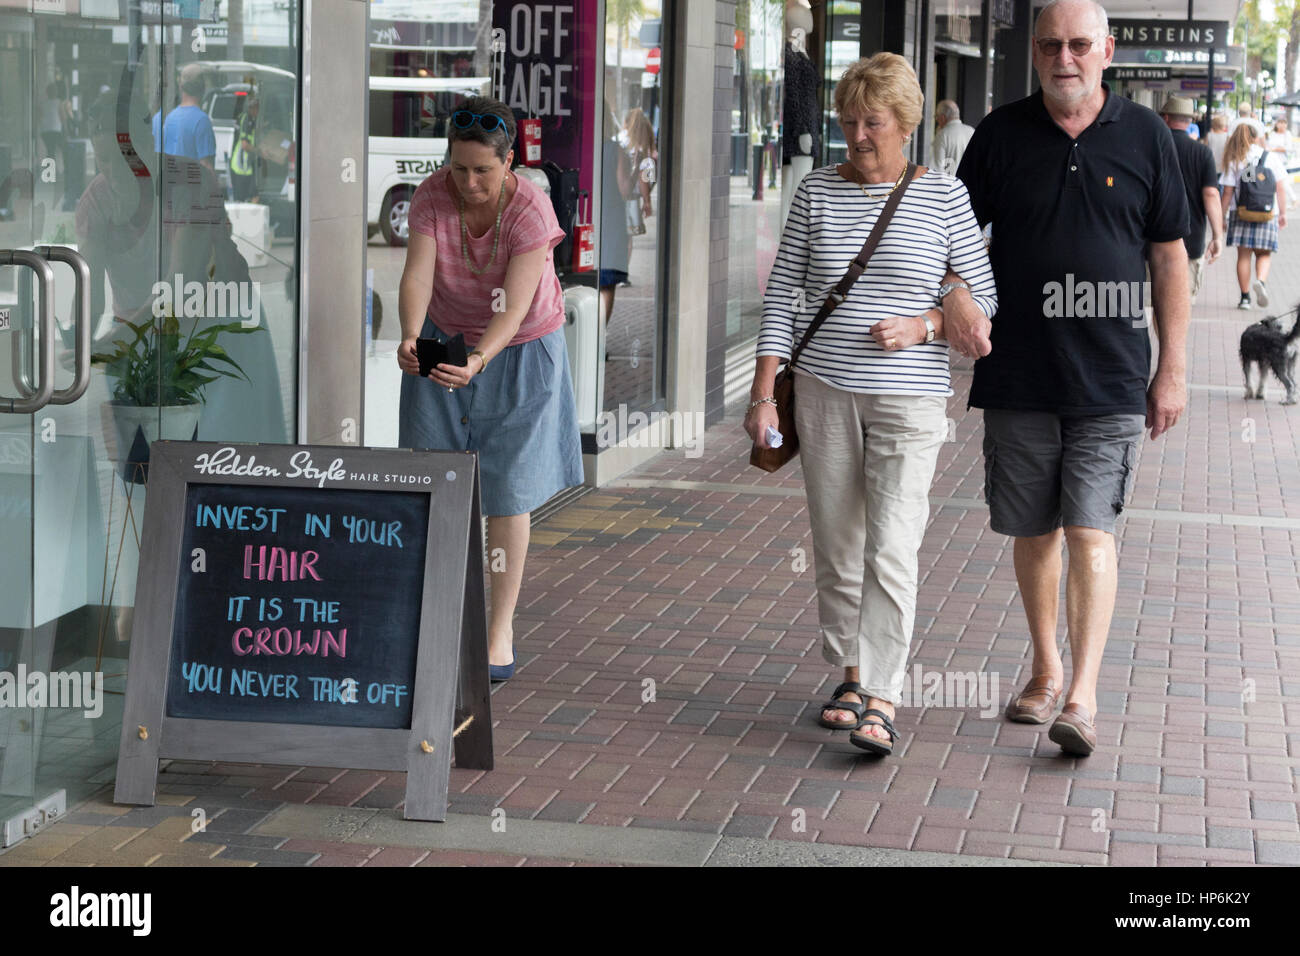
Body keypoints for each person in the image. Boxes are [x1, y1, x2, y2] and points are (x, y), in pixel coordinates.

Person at [945, 0, 1189, 757]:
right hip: (1018, 370)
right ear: (1037, 53)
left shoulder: (1148, 136)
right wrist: (955, 297)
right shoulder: (999, 136)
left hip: (1113, 375)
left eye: (1080, 44)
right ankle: (1045, 668)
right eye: (1051, 44)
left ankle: (1081, 696)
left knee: (1091, 530)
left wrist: (1172, 368)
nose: (1064, 57)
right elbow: (953, 235)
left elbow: (1169, 256)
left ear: (1107, 50)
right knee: (1034, 530)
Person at [746, 52, 997, 757]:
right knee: (838, 542)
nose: (857, 136)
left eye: (872, 123)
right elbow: (785, 296)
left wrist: (925, 325)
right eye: (848, 122)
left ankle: (883, 695)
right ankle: (850, 675)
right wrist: (765, 392)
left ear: (907, 124)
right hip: (825, 393)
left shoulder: (945, 197)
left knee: (892, 543)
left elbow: (988, 303)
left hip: (911, 398)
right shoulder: (817, 193)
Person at [396, 96, 584, 682]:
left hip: (521, 344)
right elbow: (418, 272)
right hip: (446, 333)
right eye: (459, 168)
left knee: (506, 490)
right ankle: (440, 614)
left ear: (508, 163)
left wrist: (479, 359)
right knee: (436, 473)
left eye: (483, 170)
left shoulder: (529, 206)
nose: (470, 182)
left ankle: (498, 627)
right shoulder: (432, 195)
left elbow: (519, 302)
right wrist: (408, 337)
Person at [1159, 96, 1223, 305]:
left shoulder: (1153, 147)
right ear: (1190, 121)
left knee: (1150, 304)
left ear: (1166, 118)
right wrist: (1217, 236)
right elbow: (1211, 194)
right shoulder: (1202, 153)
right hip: (1190, 238)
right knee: (1180, 304)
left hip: (1150, 239)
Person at [1221, 119, 1289, 310]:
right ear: (1256, 136)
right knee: (1264, 253)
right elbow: (1281, 188)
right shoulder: (1270, 158)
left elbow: (1227, 192)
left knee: (1243, 256)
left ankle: (1244, 299)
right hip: (1267, 213)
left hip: (1240, 212)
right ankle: (1261, 281)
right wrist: (1282, 213)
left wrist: (1221, 216)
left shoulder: (1235, 158)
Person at [152, 62, 216, 172]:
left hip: (166, 187)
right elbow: (206, 167)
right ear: (203, 88)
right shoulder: (201, 121)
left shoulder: (158, 119)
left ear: (180, 86)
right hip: (190, 187)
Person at [930, 99, 975, 175]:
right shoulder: (972, 131)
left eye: (936, 116)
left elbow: (937, 168)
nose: (936, 119)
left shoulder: (942, 135)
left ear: (942, 117)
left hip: (951, 184)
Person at [229, 97, 259, 202]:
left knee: (253, 197)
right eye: (257, 108)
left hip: (246, 167)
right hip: (241, 166)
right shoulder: (246, 119)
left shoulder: (251, 120)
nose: (258, 111)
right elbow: (245, 145)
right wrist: (259, 152)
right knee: (243, 201)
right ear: (252, 108)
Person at [1205, 111, 1230, 178]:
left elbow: (1204, 149)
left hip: (1211, 164)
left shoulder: (1209, 135)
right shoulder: (1227, 136)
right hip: (1223, 165)